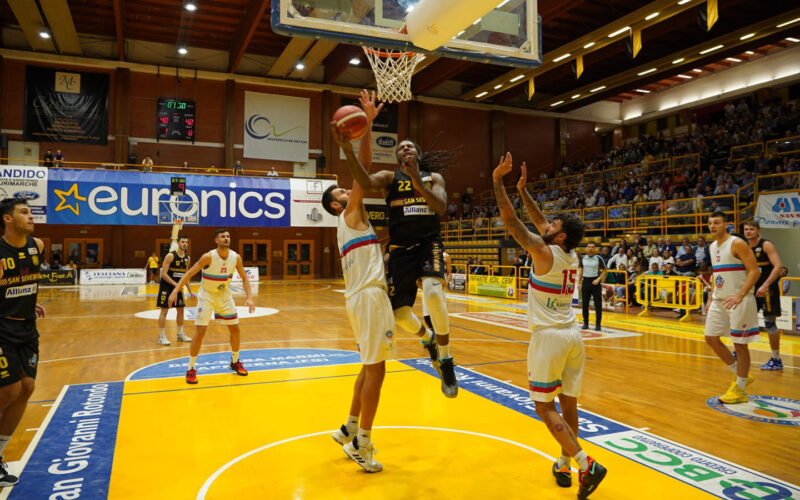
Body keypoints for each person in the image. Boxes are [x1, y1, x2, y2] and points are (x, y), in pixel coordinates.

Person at [494, 153, 606, 499]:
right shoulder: (569, 253)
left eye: (554, 225)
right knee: (569, 405)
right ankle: (564, 462)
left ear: (559, 237)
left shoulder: (544, 252)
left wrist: (497, 181)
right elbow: (539, 219)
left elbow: (512, 223)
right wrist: (523, 190)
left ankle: (586, 464)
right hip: (573, 335)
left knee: (544, 407)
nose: (548, 225)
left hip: (549, 338)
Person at [347, 89, 458, 397]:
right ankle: (429, 339)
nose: (405, 149)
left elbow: (439, 208)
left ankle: (446, 361)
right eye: (401, 148)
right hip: (399, 252)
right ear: (397, 157)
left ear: (417, 155)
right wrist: (351, 146)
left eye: (410, 147)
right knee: (399, 316)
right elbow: (363, 180)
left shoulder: (433, 177)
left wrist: (418, 181)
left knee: (434, 294)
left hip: (429, 244)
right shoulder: (389, 178)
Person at [322, 124, 398, 472]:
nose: (349, 188)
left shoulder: (353, 226)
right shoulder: (350, 214)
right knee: (378, 372)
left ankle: (350, 426)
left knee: (369, 367)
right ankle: (362, 443)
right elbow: (363, 174)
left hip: (362, 298)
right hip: (368, 300)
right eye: (343, 190)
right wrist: (366, 128)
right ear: (338, 203)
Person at [0, 198, 47, 486]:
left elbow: (22, 280)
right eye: (25, 212)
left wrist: (31, 300)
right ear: (7, 219)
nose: (31, 217)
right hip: (1, 328)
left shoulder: (37, 246)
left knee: (27, 388)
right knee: (9, 389)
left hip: (27, 328)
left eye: (31, 212)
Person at [169, 228, 255, 384]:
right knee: (201, 331)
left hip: (224, 295)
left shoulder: (236, 257)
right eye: (223, 237)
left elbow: (244, 278)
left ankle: (235, 361)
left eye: (228, 236)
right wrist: (175, 291)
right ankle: (191, 368)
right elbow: (188, 273)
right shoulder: (208, 257)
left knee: (235, 328)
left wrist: (249, 297)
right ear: (216, 240)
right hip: (207, 295)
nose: (226, 239)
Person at [704, 211, 760, 404]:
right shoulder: (712, 246)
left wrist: (740, 294)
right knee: (711, 338)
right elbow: (716, 274)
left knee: (740, 344)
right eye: (710, 223)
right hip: (719, 300)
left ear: (726, 224)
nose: (712, 226)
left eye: (717, 223)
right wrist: (711, 297)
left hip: (739, 300)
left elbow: (755, 270)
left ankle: (741, 388)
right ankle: (741, 373)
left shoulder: (737, 243)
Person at [743, 221, 784, 370]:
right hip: (751, 289)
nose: (748, 232)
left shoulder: (766, 244)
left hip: (767, 289)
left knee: (770, 324)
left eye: (751, 229)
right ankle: (740, 351)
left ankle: (776, 359)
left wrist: (765, 285)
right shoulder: (744, 247)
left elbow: (778, 267)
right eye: (746, 229)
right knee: (744, 320)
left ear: (758, 231)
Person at [156, 235, 194, 345]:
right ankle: (161, 336)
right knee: (164, 311)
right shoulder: (170, 256)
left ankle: (180, 334)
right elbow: (163, 274)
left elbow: (186, 275)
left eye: (186, 242)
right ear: (178, 243)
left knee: (181, 310)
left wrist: (190, 290)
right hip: (167, 286)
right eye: (183, 242)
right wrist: (176, 284)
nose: (185, 244)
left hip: (178, 287)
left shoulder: (188, 258)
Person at [578, 242, 606, 331]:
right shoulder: (583, 258)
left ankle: (598, 324)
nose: (590, 249)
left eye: (592, 247)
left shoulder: (598, 258)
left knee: (598, 304)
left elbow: (605, 271)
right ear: (586, 248)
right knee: (585, 304)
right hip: (585, 282)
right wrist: (579, 282)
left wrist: (598, 280)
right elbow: (581, 271)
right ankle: (585, 323)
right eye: (589, 247)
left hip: (595, 282)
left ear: (595, 249)